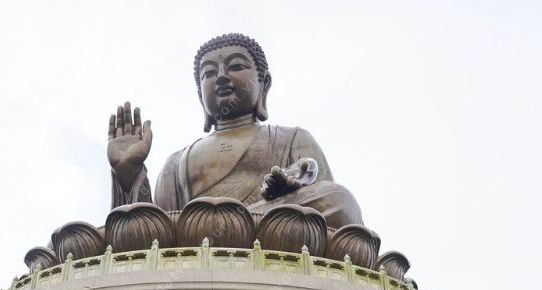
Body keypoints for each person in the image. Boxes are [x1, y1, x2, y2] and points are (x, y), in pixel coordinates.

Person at [107, 33, 363, 229]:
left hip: (275, 228)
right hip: (198, 238)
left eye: (236, 66)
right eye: (208, 73)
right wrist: (128, 174)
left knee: (339, 200)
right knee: (82, 238)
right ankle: (236, 225)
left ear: (264, 84)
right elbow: (153, 231)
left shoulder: (292, 137)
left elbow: (326, 206)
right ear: (200, 94)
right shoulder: (177, 162)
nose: (220, 77)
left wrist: (293, 185)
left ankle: (237, 224)